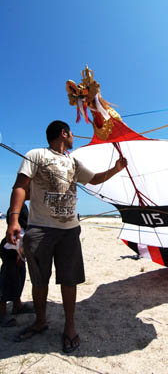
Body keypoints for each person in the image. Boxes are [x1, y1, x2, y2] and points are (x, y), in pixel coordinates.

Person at [6, 120, 127, 352]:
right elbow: (20, 186)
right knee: (40, 280)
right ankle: (40, 322)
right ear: (64, 133)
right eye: (71, 133)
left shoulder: (73, 161)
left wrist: (116, 168)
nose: (73, 136)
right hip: (40, 228)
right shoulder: (37, 155)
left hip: (69, 230)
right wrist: (13, 219)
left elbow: (94, 179)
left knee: (69, 280)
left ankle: (69, 326)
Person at [0, 203, 34, 327]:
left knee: (19, 278)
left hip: (18, 251)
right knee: (7, 281)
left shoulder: (23, 206)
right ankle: (1, 311)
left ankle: (17, 305)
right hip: (12, 250)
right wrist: (18, 255)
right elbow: (19, 233)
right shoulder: (18, 208)